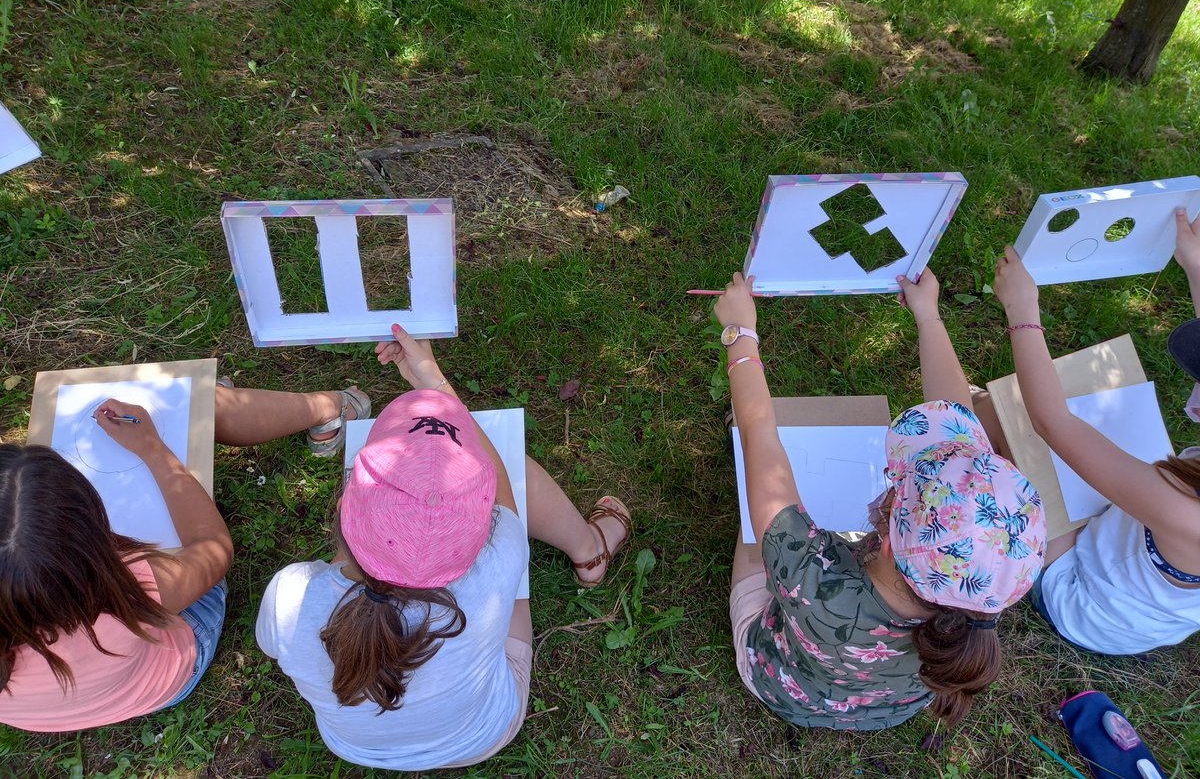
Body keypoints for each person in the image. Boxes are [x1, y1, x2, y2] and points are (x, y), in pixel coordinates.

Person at [255, 324, 632, 771]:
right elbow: (501, 483)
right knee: (509, 464)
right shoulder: (498, 558)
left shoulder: (290, 597)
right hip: (483, 732)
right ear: (481, 524)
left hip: (356, 747)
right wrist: (435, 381)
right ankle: (589, 549)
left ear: (344, 504)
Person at [721, 269, 1046, 730]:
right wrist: (928, 316)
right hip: (886, 711)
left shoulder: (811, 576)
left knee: (754, 540)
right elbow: (955, 417)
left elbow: (759, 441)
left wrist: (740, 335)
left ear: (890, 539)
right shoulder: (975, 598)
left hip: (781, 683)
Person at [0, 381, 369, 732]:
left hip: (68, 708)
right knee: (201, 407)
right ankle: (331, 408)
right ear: (86, 535)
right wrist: (152, 448)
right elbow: (213, 548)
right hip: (167, 676)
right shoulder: (124, 591)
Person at [993, 219, 1200, 655]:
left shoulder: (1189, 515)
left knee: (1003, 428)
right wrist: (1195, 266)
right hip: (1135, 563)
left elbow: (1053, 422)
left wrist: (1022, 313)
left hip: (1085, 601)